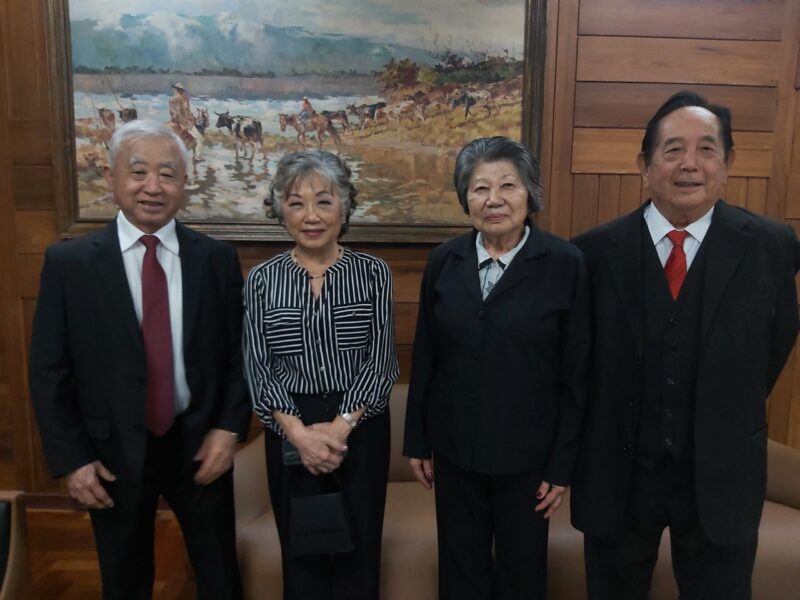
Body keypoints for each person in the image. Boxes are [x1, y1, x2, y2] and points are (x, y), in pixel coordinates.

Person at [570, 91, 800, 599]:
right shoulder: (590, 254)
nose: (689, 164)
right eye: (672, 150)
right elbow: (579, 363)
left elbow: (775, 344)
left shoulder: (773, 247)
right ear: (645, 166)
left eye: (706, 150)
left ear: (728, 164)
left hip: (722, 471)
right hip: (619, 473)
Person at [29, 120, 250, 599]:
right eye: (138, 172)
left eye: (168, 174)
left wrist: (229, 429)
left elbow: (239, 354)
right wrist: (73, 460)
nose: (153, 186)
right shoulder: (70, 265)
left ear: (184, 184)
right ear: (110, 178)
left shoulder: (214, 259)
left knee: (219, 575)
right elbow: (49, 372)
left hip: (199, 445)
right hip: (110, 453)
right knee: (125, 580)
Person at [403, 136, 590, 600]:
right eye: (479, 187)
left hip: (528, 456)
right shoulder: (445, 261)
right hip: (455, 448)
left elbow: (578, 373)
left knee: (521, 574)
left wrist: (562, 465)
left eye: (508, 185)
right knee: (460, 569)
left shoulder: (565, 263)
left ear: (530, 194)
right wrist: (417, 441)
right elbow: (426, 356)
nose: (494, 199)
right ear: (465, 198)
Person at [242, 150, 399, 599]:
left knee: (359, 549)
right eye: (296, 203)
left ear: (345, 207)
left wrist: (339, 428)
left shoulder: (373, 274)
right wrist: (299, 434)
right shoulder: (262, 279)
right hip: (291, 425)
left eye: (324, 201)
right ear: (280, 210)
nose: (311, 216)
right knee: (302, 551)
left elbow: (382, 361)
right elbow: (259, 365)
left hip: (361, 423)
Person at [169, 82, 204, 159]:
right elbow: (180, 113)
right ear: (181, 90)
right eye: (181, 91)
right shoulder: (181, 99)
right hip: (183, 123)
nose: (182, 92)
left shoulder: (171, 99)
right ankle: (197, 158)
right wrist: (183, 125)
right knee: (199, 138)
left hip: (174, 121)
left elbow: (173, 113)